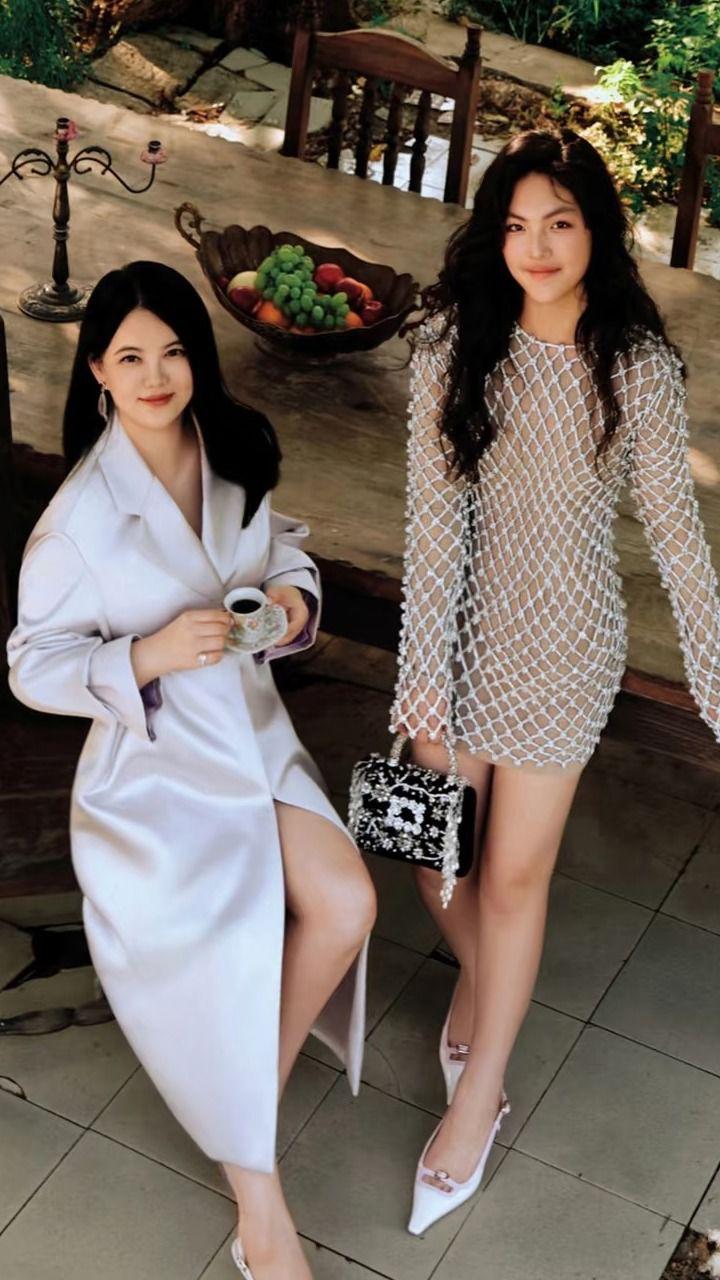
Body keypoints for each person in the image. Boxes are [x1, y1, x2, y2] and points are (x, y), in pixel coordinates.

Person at [7, 261, 376, 1280]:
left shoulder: (236, 444)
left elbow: (280, 551)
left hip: (252, 737)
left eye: (172, 351)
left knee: (346, 902)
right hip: (157, 776)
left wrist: (294, 604)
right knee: (228, 939)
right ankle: (262, 1211)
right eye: (130, 357)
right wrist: (147, 654)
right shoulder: (76, 524)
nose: (156, 375)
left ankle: (240, 1096)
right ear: (96, 370)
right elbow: (32, 666)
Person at [390, 128, 720, 1235]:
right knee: (439, 866)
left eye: (560, 223)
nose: (536, 247)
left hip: (566, 647)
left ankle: (479, 1094)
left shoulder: (635, 365)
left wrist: (717, 674)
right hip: (460, 639)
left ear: (598, 232)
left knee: (511, 882)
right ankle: (489, 986)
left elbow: (675, 536)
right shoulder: (453, 343)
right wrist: (422, 676)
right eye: (517, 225)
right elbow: (434, 528)